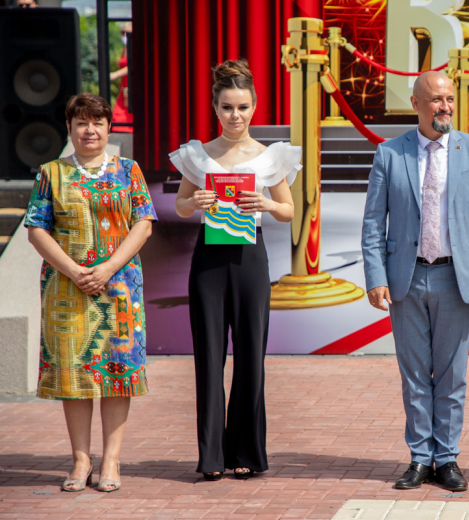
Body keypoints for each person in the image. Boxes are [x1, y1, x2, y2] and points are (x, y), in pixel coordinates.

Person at [361, 71, 469, 491]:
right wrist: (375, 276)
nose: (445, 107)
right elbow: (373, 222)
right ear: (416, 104)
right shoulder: (389, 153)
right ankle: (420, 458)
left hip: (455, 277)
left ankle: (447, 459)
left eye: (449, 99)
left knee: (451, 375)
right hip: (405, 279)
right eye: (436, 100)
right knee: (414, 375)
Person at [170, 59, 299, 481]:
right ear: (215, 107)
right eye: (227, 107)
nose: (235, 116)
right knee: (209, 358)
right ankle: (211, 457)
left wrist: (267, 203)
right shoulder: (198, 155)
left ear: (254, 106)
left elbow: (288, 210)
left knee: (250, 357)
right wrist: (194, 203)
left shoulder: (270, 156)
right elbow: (180, 205)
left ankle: (245, 451)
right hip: (208, 260)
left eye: (242, 107)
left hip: (250, 259)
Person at [25, 93, 157, 493]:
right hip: (67, 289)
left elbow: (144, 224)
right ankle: (81, 460)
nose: (90, 130)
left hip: (119, 288)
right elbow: (36, 229)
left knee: (118, 373)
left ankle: (111, 460)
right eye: (81, 122)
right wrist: (75, 271)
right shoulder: (51, 173)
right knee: (74, 373)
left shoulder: (128, 170)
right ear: (69, 128)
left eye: (97, 122)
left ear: (109, 128)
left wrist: (107, 268)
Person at [110, 22, 133, 133]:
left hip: (133, 90)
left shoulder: (135, 48)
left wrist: (115, 74)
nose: (124, 35)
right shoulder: (125, 49)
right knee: (117, 119)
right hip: (124, 90)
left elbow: (132, 66)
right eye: (122, 33)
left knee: (124, 121)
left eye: (127, 33)